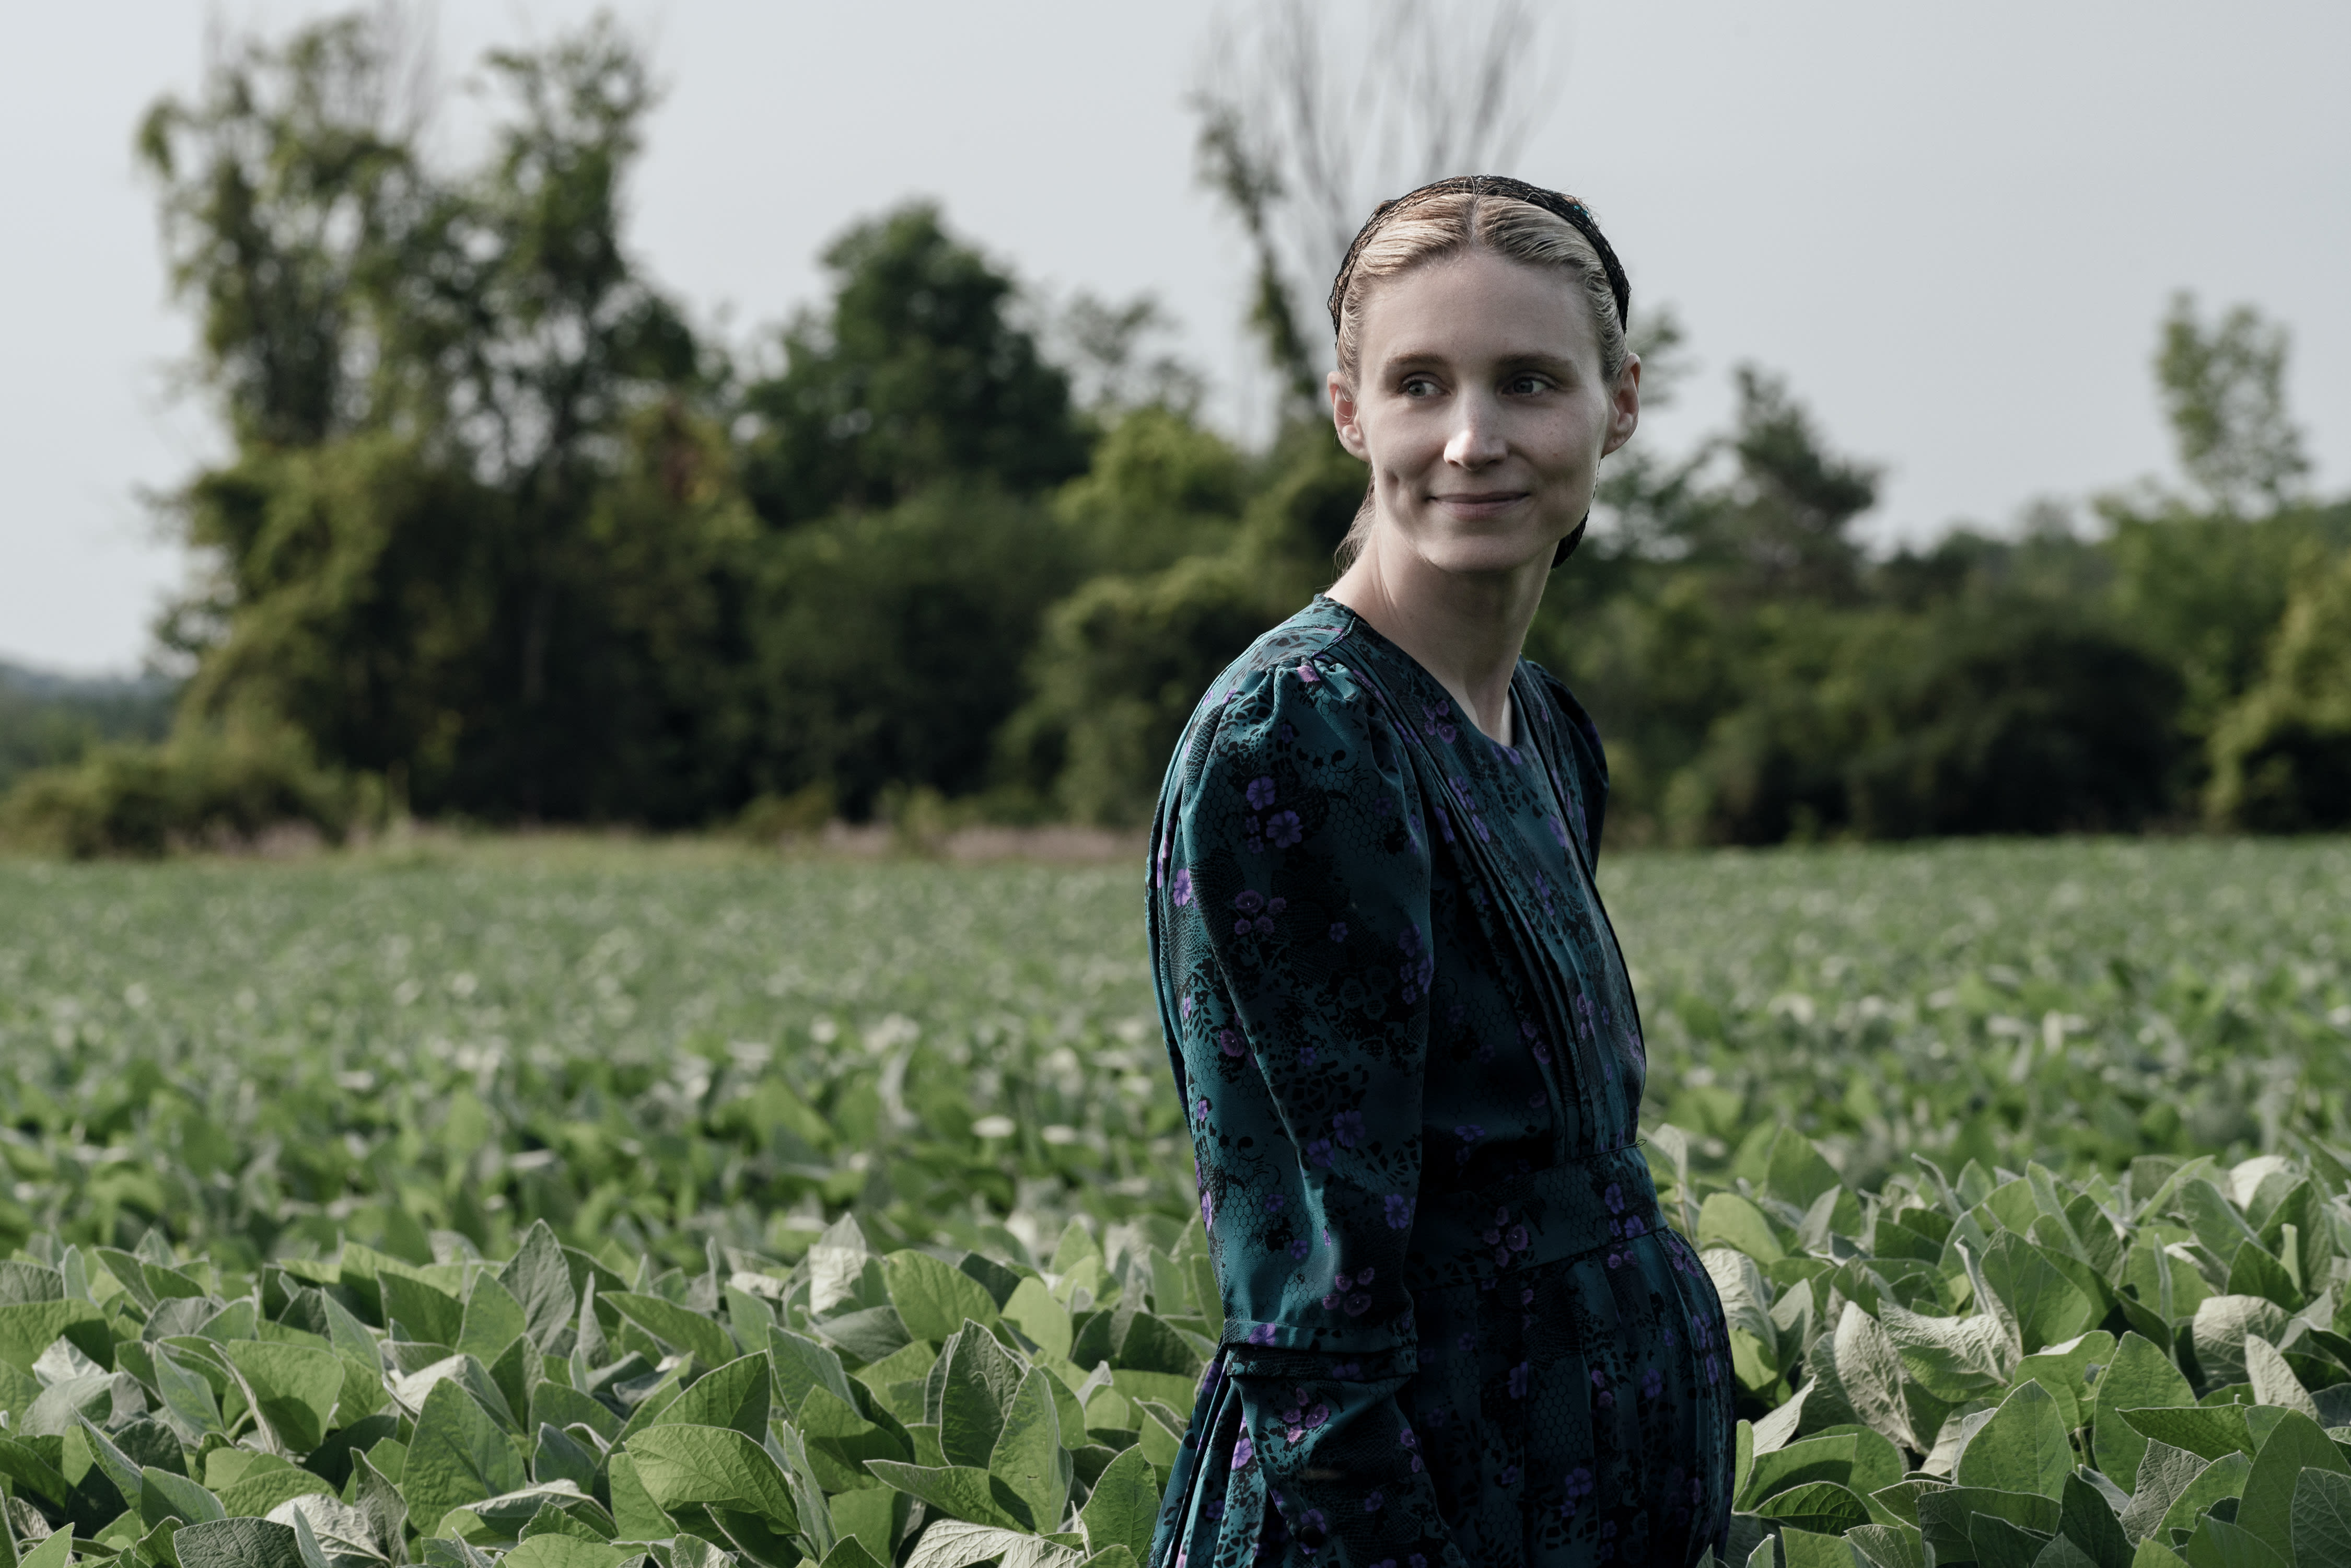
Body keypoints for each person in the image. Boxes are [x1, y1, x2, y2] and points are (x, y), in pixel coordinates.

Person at [1144, 176, 1734, 1568]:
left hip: (1580, 1488)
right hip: (1405, 1524)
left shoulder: (1541, 724)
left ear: (1619, 403)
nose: (1472, 440)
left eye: (1527, 381)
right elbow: (1313, 1302)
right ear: (1350, 411)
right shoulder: (1303, 735)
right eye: (1418, 384)